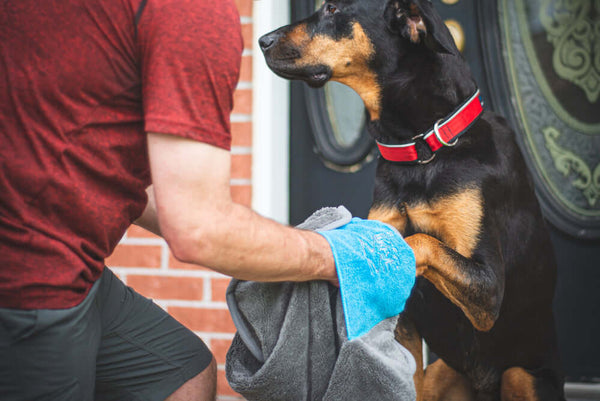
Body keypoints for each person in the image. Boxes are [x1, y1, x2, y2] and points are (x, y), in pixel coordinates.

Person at [0, 0, 413, 400]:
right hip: (31, 277)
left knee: (181, 372)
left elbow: (104, 170)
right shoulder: (191, 13)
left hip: (65, 254)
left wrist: (272, 249)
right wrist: (337, 257)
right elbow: (199, 230)